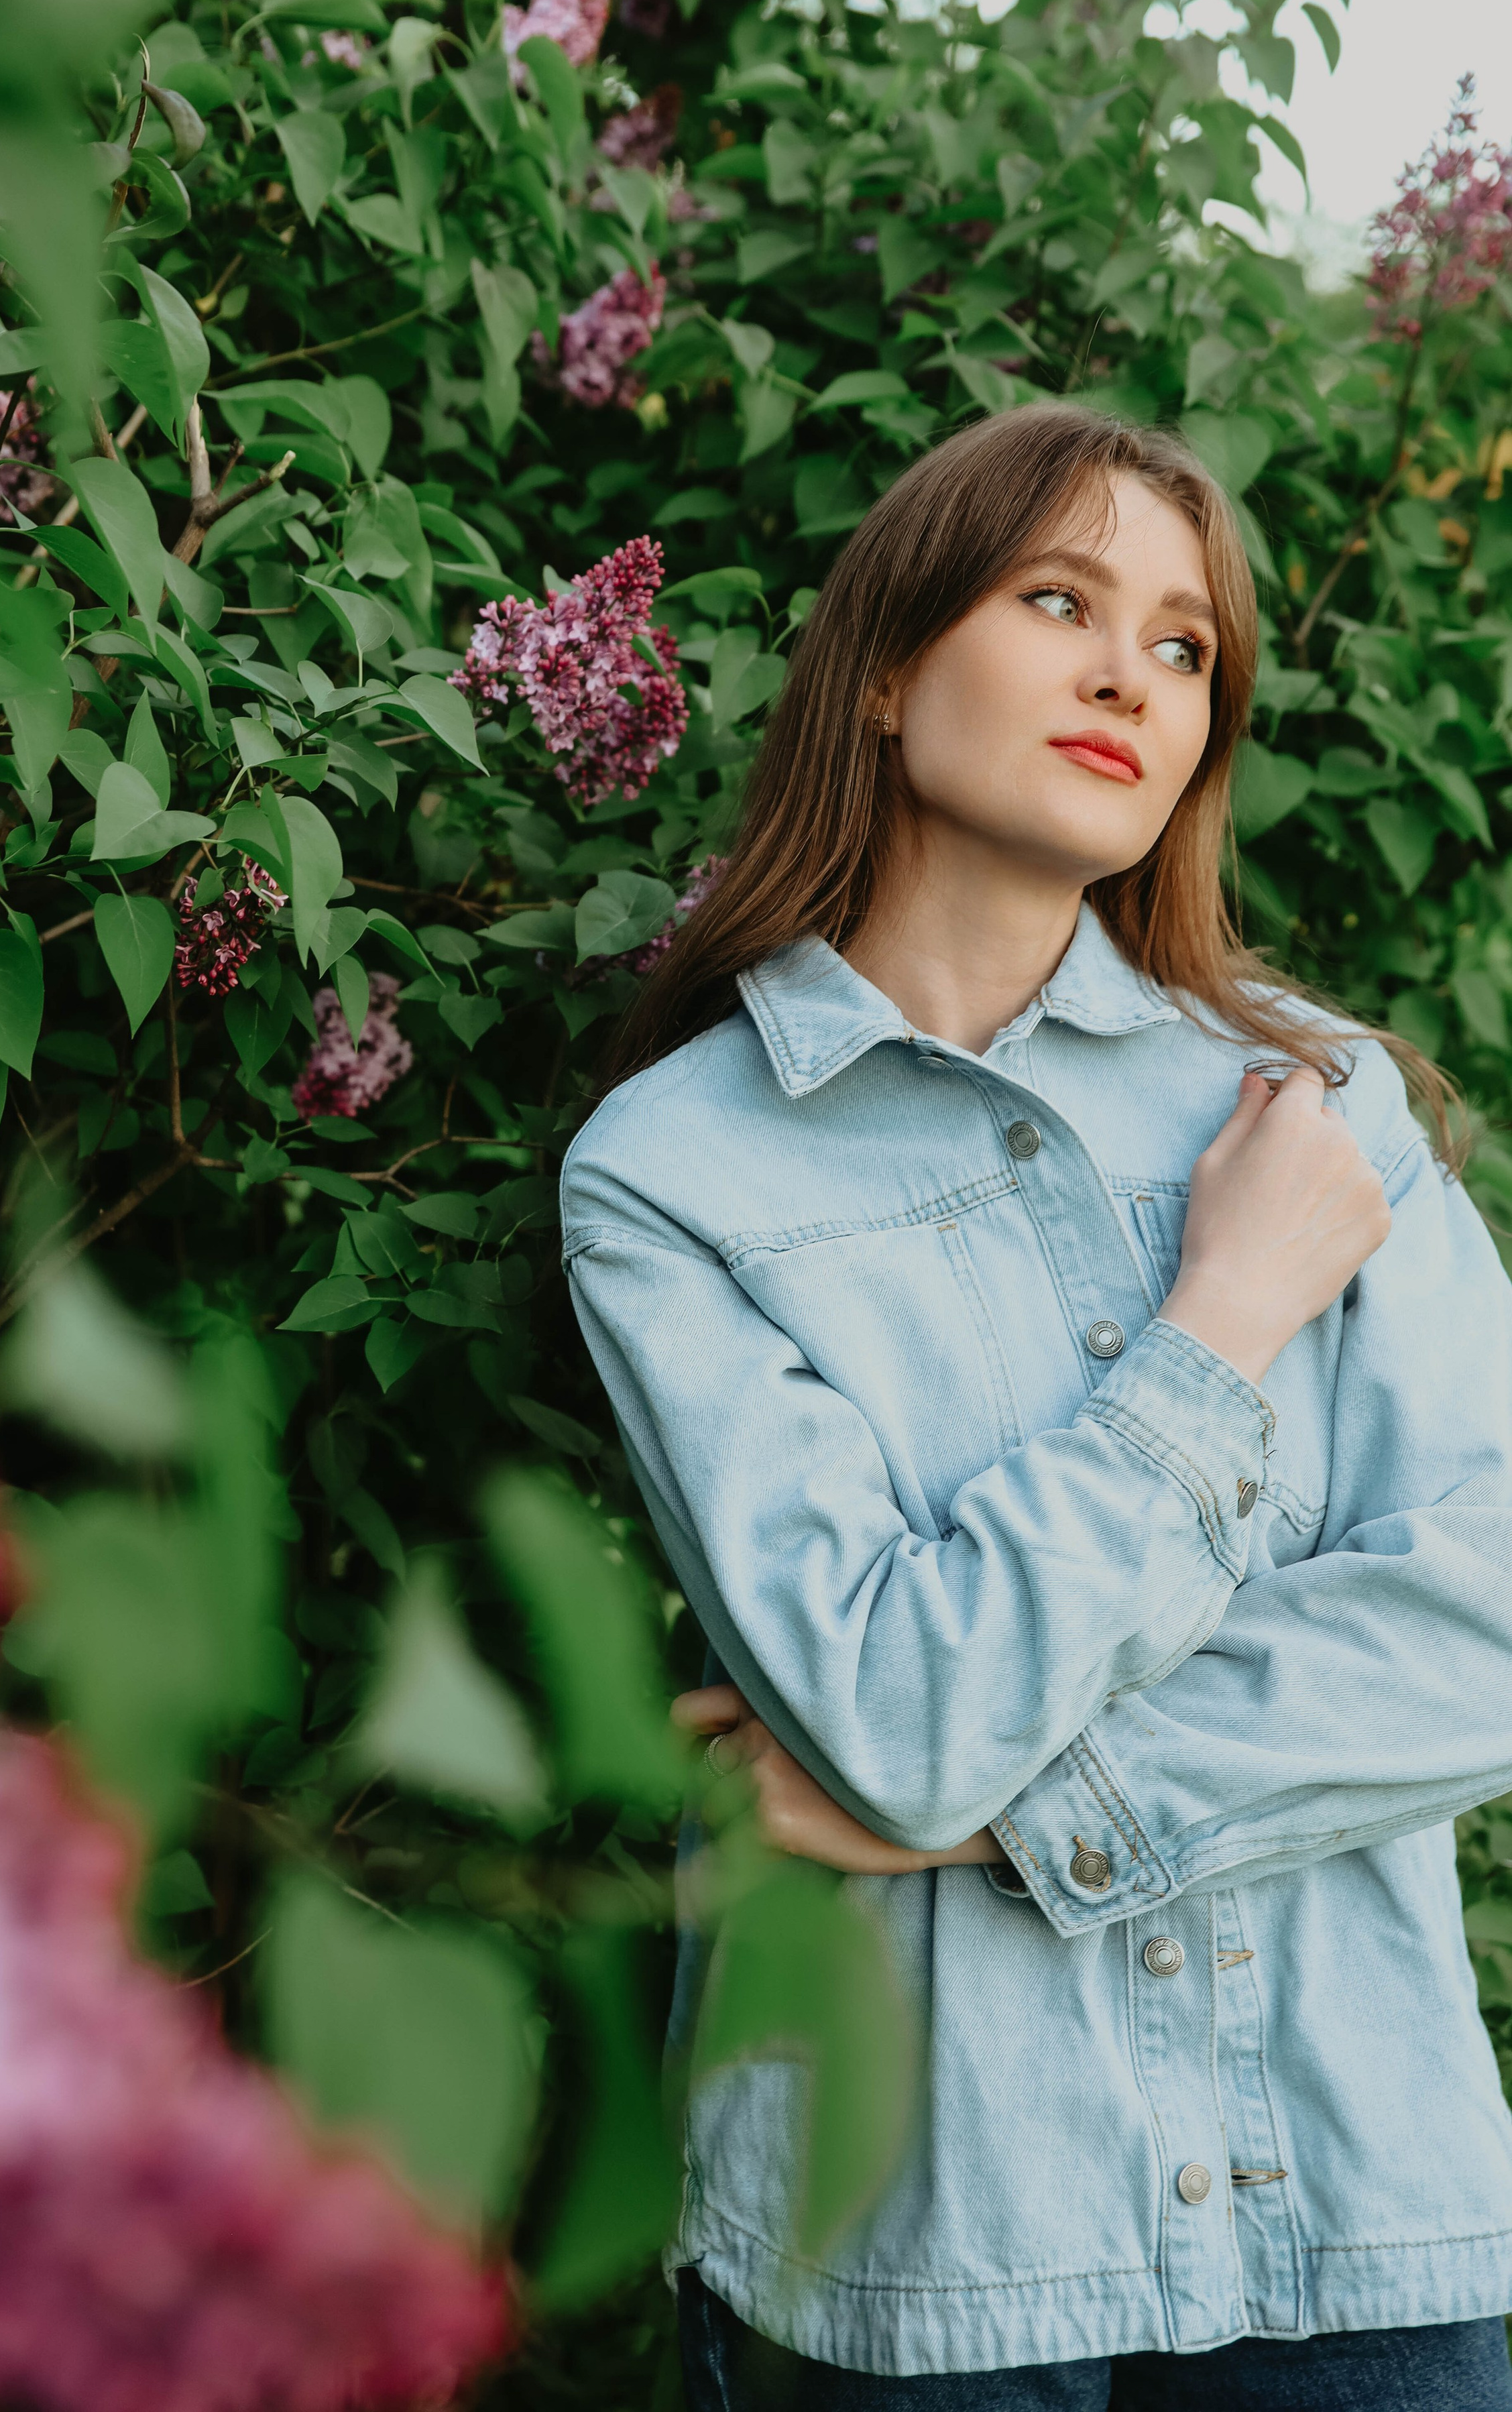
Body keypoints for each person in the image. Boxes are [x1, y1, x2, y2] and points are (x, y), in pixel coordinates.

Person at [558, 404, 1512, 2409]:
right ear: (885, 667)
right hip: (926, 2249)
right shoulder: (674, 1175)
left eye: (1182, 646)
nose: (1128, 678)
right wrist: (1224, 1319)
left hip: (1361, 2222)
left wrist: (1008, 1824)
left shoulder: (1322, 1111)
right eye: (1060, 603)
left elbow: (1492, 1627)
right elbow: (897, 1715)